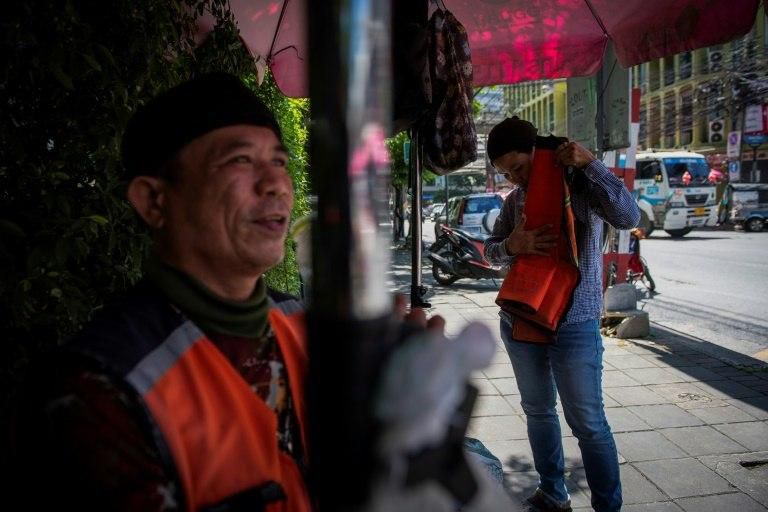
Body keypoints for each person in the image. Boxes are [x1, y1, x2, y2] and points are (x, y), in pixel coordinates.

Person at [11, 72, 312, 511]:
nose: (275, 184)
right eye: (240, 161)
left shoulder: (304, 324)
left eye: (279, 162)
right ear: (154, 200)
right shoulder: (97, 388)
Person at [483, 117, 639, 512]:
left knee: (588, 422)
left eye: (519, 167)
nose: (515, 178)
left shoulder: (582, 185)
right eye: (506, 173)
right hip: (522, 320)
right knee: (537, 410)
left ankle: (608, 506)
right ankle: (553, 492)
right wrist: (512, 245)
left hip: (575, 324)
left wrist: (592, 165)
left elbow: (629, 218)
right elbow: (490, 250)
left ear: (540, 150)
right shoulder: (516, 200)